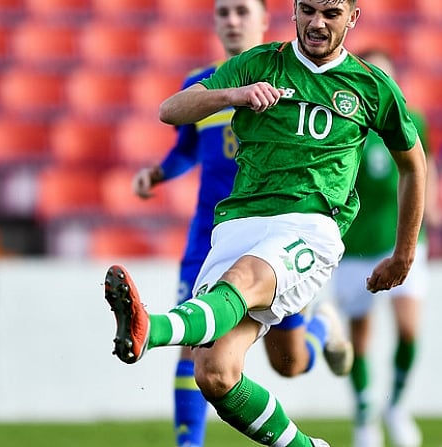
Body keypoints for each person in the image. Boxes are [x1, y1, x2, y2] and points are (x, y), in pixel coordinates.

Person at [104, 1, 427, 446]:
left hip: (308, 227)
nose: (317, 22)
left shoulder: (371, 86)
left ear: (352, 18)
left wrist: (404, 254)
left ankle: (152, 328)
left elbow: (413, 164)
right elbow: (171, 109)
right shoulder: (257, 64)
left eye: (331, 13)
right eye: (308, 10)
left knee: (241, 281)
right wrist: (232, 95)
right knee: (215, 373)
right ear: (293, 11)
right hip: (237, 223)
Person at [132, 1, 353, 445]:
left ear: (265, 19)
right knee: (194, 346)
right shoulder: (203, 85)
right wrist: (159, 173)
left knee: (289, 364)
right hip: (211, 236)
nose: (232, 21)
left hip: (277, 237)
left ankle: (321, 328)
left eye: (241, 11)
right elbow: (188, 149)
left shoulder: (293, 78)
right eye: (223, 13)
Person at [329, 48, 439, 447]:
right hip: (355, 244)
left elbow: (424, 170)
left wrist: (434, 208)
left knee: (409, 330)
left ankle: (395, 405)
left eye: (386, 76)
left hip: (404, 239)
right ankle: (363, 413)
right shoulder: (346, 126)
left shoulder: (413, 123)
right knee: (360, 339)